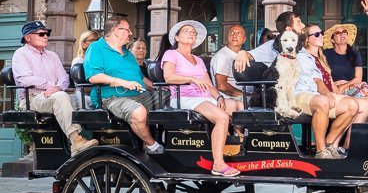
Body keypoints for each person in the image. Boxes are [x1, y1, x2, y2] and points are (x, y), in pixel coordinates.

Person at [161, 20, 243, 178]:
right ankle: (218, 164)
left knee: (240, 107)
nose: (190, 33)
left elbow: (209, 84)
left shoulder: (198, 60)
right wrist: (191, 79)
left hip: (205, 98)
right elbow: (168, 77)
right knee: (222, 117)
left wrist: (219, 96)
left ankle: (236, 146)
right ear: (177, 37)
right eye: (186, 31)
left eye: (193, 32)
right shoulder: (171, 54)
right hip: (184, 97)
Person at [11, 20, 98, 155]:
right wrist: (52, 86)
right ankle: (76, 141)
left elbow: (64, 78)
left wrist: (57, 87)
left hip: (53, 95)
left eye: (47, 33)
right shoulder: (20, 54)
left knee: (87, 101)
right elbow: (24, 79)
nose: (46, 36)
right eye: (41, 34)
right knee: (61, 96)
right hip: (32, 98)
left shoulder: (52, 55)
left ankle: (96, 143)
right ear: (28, 37)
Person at [83, 16, 164, 154]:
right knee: (138, 112)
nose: (130, 33)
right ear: (116, 30)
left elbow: (141, 78)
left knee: (173, 101)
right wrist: (123, 82)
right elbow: (94, 77)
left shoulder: (127, 53)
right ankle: (152, 146)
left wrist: (159, 88)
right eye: (127, 30)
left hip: (140, 94)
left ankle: (169, 141)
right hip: (112, 97)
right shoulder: (96, 48)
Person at [295, 25, 359, 159]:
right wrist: (329, 95)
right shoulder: (302, 56)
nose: (321, 36)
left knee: (352, 105)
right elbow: (318, 81)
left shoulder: (320, 57)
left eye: (321, 33)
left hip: (315, 95)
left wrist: (334, 94)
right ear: (307, 39)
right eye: (316, 34)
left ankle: (329, 143)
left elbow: (323, 81)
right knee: (323, 101)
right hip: (300, 94)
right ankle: (320, 150)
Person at [305, 24, 368, 154]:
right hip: (328, 90)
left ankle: (348, 144)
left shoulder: (354, 54)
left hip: (348, 86)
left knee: (367, 103)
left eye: (344, 32)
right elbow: (321, 78)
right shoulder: (323, 54)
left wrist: (342, 87)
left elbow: (358, 78)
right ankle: (332, 144)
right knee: (354, 102)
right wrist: (333, 89)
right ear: (333, 39)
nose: (342, 34)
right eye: (338, 33)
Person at [233, 11, 306, 71]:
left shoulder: (301, 47)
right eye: (298, 23)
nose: (303, 25)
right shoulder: (272, 46)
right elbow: (250, 55)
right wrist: (242, 53)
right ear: (289, 29)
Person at [211, 24, 247, 102]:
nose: (234, 35)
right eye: (231, 33)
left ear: (244, 39)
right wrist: (245, 96)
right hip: (229, 98)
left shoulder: (242, 55)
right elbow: (222, 86)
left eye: (239, 33)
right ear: (228, 37)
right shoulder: (222, 56)